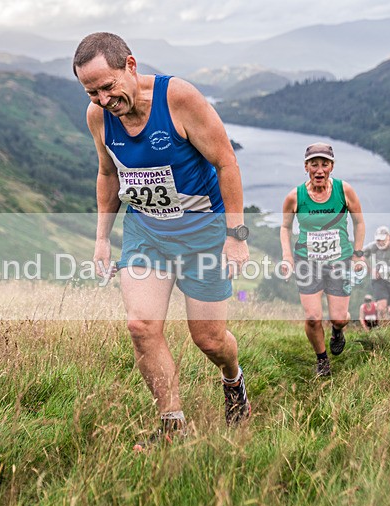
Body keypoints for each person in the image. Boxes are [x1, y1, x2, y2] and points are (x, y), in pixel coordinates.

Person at [72, 32, 251, 450]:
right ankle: (173, 426)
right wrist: (102, 239)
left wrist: (237, 235)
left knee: (209, 339)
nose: (102, 99)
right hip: (146, 231)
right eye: (91, 91)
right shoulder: (97, 117)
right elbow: (108, 174)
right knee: (141, 326)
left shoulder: (178, 99)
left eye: (108, 86)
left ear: (130, 66)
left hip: (203, 232)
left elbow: (226, 162)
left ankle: (233, 378)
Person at [280, 143, 366, 377]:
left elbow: (359, 222)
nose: (319, 170)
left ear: (332, 167)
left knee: (339, 318)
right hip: (308, 263)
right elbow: (285, 227)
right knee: (313, 317)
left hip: (340, 262)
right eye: (314, 164)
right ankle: (322, 360)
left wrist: (358, 254)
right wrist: (287, 257)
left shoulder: (344, 190)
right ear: (306, 167)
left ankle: (337, 331)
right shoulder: (294, 196)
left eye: (324, 164)